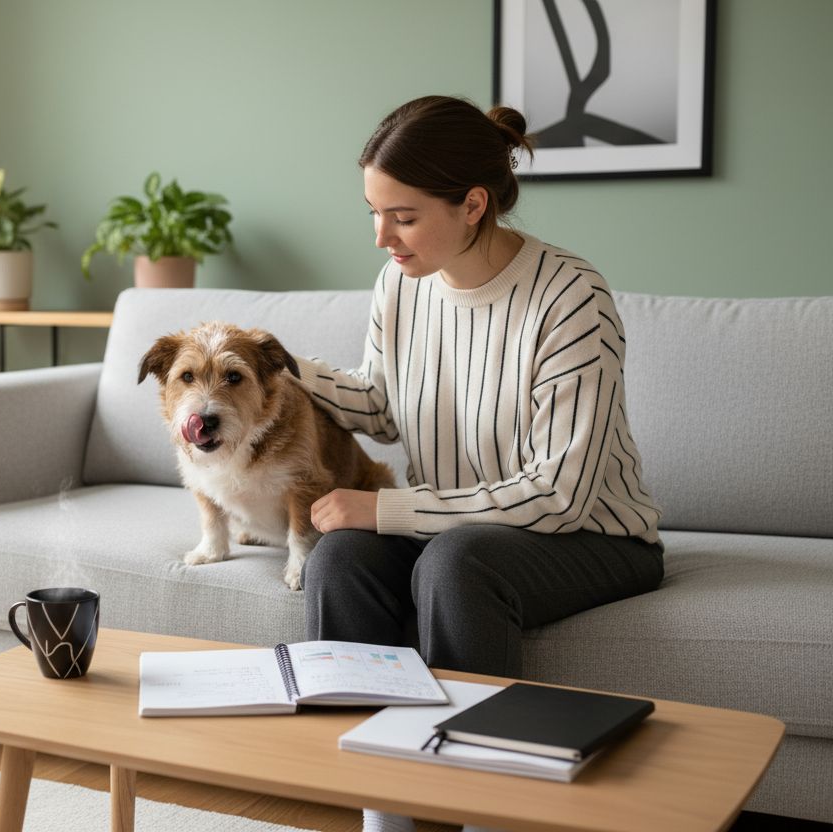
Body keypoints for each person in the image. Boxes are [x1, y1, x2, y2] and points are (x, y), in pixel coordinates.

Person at [292, 96, 665, 832]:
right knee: (339, 558)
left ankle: (489, 814)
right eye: (372, 211)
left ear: (472, 205)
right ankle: (385, 811)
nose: (381, 237)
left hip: (595, 536)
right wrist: (280, 368)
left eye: (402, 216)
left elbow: (560, 495)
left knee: (454, 565)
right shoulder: (402, 283)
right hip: (458, 528)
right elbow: (383, 408)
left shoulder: (570, 296)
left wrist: (388, 509)